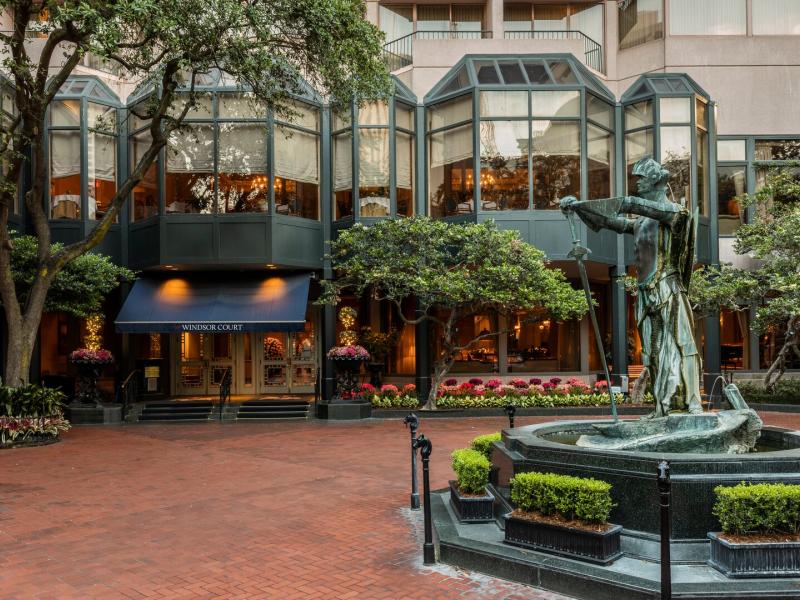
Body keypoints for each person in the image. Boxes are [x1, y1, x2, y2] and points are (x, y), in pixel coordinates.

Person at [560, 157, 702, 416]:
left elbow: (630, 204)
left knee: (683, 343)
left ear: (656, 180)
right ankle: (662, 407)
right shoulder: (640, 222)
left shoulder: (675, 214)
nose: (636, 183)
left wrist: (584, 203)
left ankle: (693, 403)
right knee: (652, 351)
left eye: (641, 178)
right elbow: (611, 222)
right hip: (646, 291)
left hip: (668, 287)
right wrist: (578, 208)